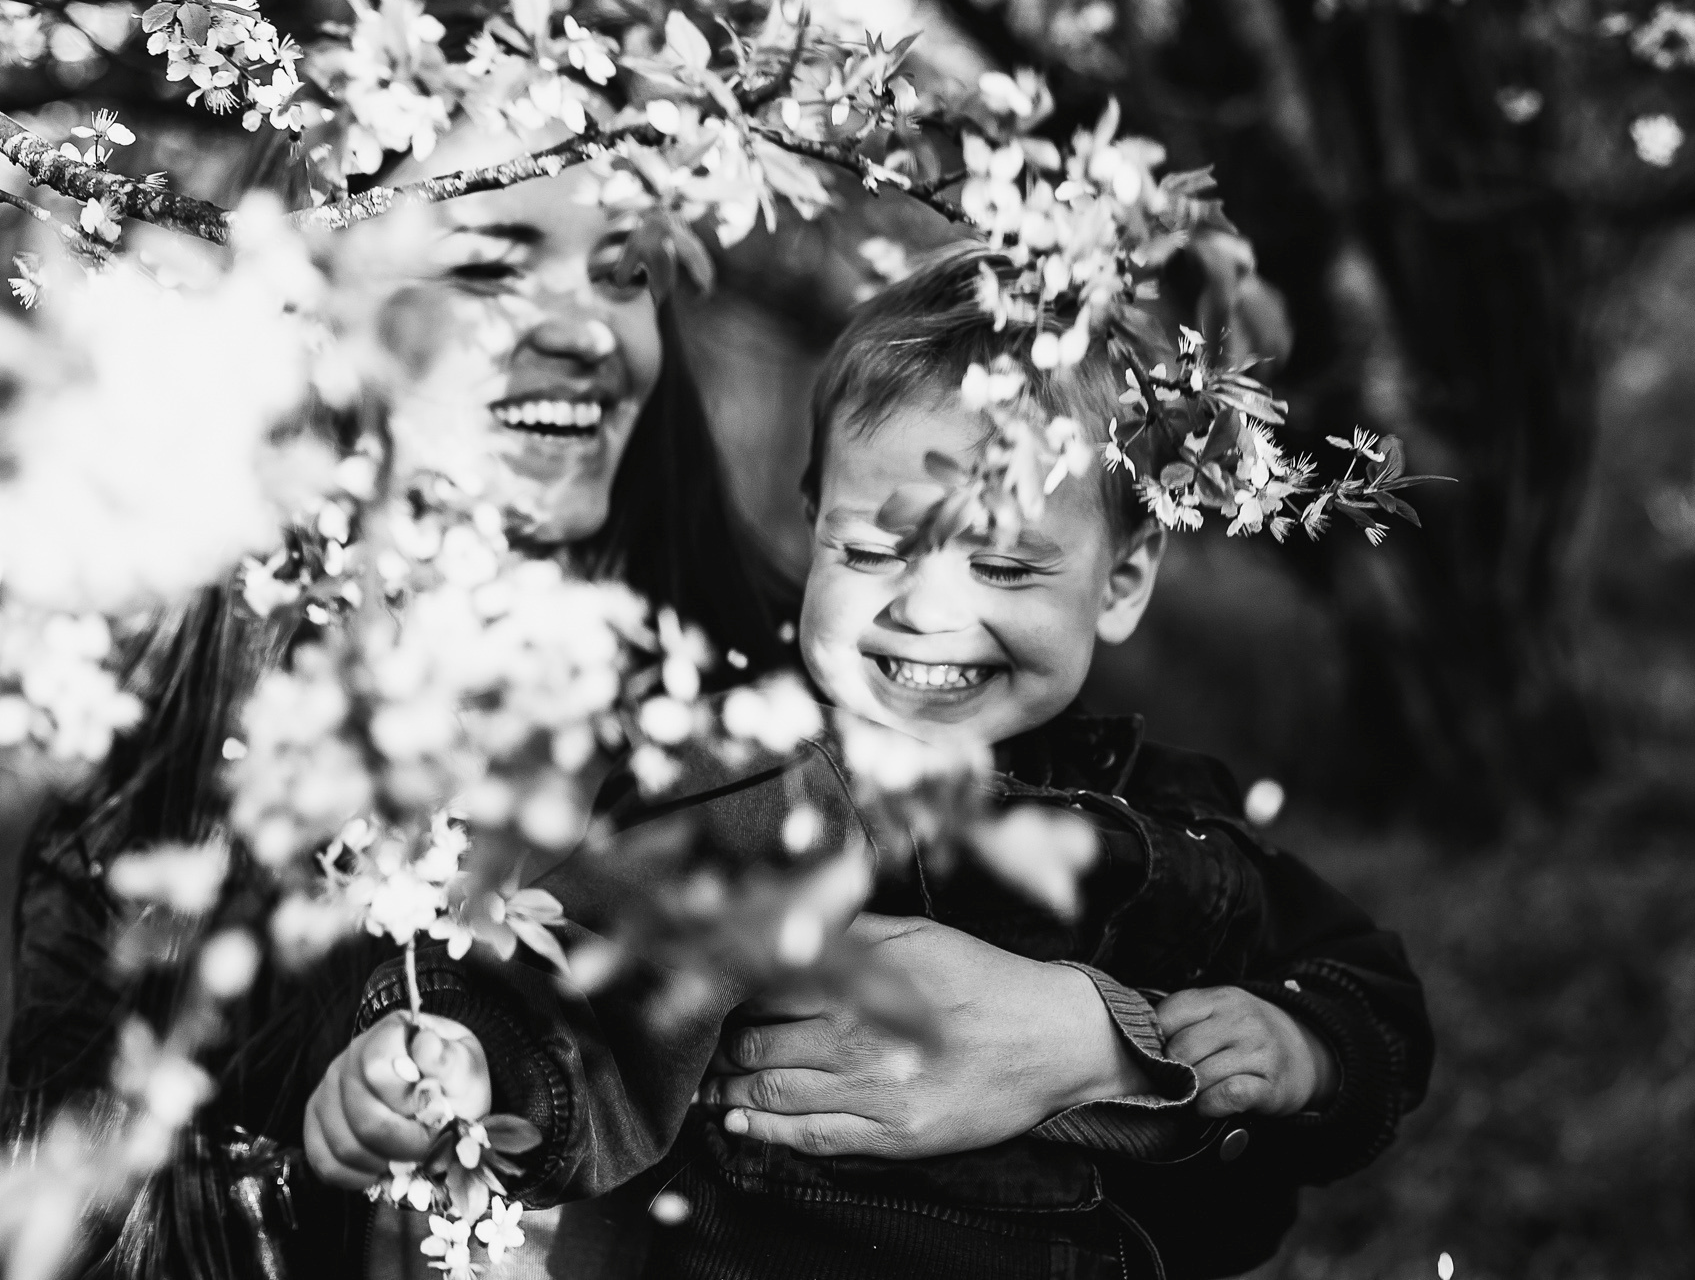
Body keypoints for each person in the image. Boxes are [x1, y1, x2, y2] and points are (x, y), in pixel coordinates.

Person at [312, 246, 1432, 1279]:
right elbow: (586, 978)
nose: (926, 610)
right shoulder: (762, 784)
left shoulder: (1173, 810)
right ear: (810, 527)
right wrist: (461, 1061)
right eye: (872, 547)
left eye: (1002, 564)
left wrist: (1300, 1044)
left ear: (1123, 579)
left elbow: (1364, 986)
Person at [1, 124, 791, 1280]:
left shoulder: (775, 722)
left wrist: (1086, 1036)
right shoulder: (157, 762)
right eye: (484, 265)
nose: (586, 331)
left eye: (625, 272)